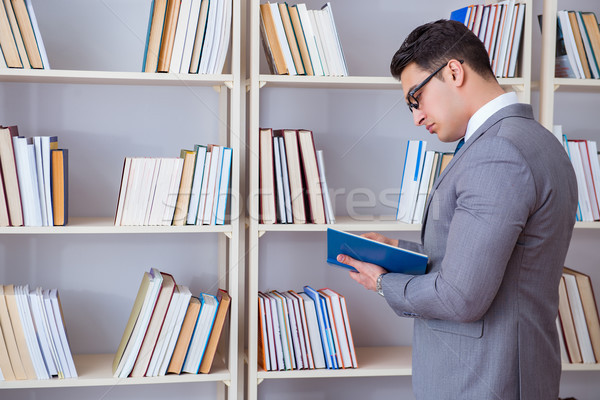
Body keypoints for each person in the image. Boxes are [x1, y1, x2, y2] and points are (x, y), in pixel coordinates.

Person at [336, 19, 578, 399]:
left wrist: (383, 283)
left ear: (453, 71)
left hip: (483, 379)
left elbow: (461, 298)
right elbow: (494, 262)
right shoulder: (537, 141)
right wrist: (396, 251)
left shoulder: (497, 153)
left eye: (416, 98)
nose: (416, 117)